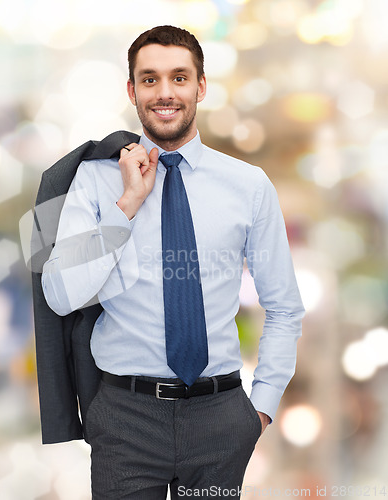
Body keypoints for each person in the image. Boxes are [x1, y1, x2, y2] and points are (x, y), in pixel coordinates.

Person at [41, 25, 305, 499]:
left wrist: (259, 409)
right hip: (125, 419)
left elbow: (284, 306)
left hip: (221, 419)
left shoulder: (248, 185)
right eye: (149, 79)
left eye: (179, 78)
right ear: (132, 90)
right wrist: (125, 208)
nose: (165, 93)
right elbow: (60, 296)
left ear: (201, 86)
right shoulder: (94, 180)